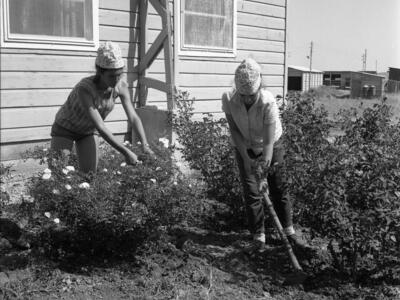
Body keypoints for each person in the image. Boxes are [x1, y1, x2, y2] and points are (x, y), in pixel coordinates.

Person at [221, 58, 312, 250]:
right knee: (252, 191)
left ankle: (288, 232)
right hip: (244, 145)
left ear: (260, 86)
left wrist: (263, 171)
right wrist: (246, 159)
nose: (246, 99)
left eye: (250, 95)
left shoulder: (268, 101)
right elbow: (234, 130)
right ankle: (259, 238)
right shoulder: (228, 98)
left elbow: (269, 142)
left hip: (271, 145)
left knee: (278, 187)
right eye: (243, 95)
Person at [51, 41, 154, 172]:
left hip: (88, 131)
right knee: (57, 173)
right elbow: (100, 126)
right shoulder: (85, 88)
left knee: (89, 176)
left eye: (119, 74)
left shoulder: (120, 86)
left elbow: (133, 117)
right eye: (112, 76)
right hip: (65, 128)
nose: (116, 80)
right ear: (100, 72)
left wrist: (144, 145)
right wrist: (126, 152)